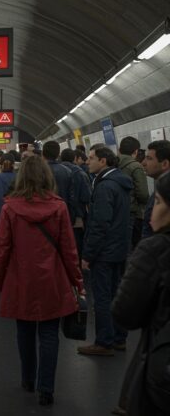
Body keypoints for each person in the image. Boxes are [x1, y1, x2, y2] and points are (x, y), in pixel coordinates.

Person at [0, 156, 85, 407]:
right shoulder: (59, 207)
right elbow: (68, 249)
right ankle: (46, 389)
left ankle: (28, 379)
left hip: (21, 278)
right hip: (52, 278)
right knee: (50, 334)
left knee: (25, 330)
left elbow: (2, 249)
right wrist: (77, 281)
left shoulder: (10, 208)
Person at [111, 173, 170, 416]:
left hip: (161, 367)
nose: (151, 211)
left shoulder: (156, 250)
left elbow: (125, 314)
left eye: (157, 202)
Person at [78, 147, 133, 356]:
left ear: (103, 161)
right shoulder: (121, 183)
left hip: (104, 251)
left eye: (91, 159)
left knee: (101, 297)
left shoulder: (104, 187)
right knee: (116, 294)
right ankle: (119, 337)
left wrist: (88, 254)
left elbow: (99, 223)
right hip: (119, 248)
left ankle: (104, 341)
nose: (87, 161)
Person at [117, 136, 149, 249]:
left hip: (116, 210)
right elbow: (143, 194)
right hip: (133, 213)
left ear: (119, 149)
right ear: (136, 151)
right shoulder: (136, 166)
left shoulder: (113, 164)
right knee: (134, 244)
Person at [60, 148, 92, 257]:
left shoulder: (53, 171)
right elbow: (86, 197)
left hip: (58, 216)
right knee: (77, 245)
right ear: (74, 158)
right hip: (77, 217)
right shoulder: (80, 173)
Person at [141, 140, 170, 238]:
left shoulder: (165, 193)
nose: (143, 163)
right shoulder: (160, 190)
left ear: (165, 164)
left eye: (149, 158)